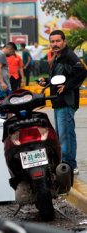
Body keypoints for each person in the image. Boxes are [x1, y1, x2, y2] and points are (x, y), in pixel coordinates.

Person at [38, 30, 87, 175]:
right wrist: (46, 82)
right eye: (52, 41)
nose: (55, 44)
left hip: (67, 101)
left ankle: (70, 166)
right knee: (61, 135)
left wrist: (67, 86)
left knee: (66, 136)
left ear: (64, 41)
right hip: (58, 101)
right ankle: (65, 165)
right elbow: (59, 77)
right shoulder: (58, 57)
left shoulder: (68, 56)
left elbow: (82, 72)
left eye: (58, 41)